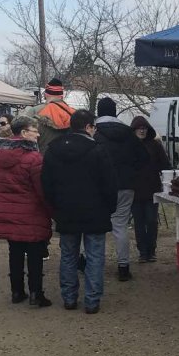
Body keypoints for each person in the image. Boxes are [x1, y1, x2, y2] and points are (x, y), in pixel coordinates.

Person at [41, 109, 118, 314]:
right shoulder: (98, 150)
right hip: (95, 211)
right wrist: (110, 208)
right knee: (94, 256)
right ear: (88, 127)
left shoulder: (53, 150)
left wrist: (54, 208)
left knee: (68, 255)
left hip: (65, 210)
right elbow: (110, 184)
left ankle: (69, 297)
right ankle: (92, 300)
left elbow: (46, 184)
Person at [0, 115, 53, 307]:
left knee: (14, 251)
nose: (38, 134)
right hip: (32, 212)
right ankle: (36, 293)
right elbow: (42, 189)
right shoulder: (34, 158)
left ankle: (16, 291)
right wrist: (50, 210)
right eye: (35, 131)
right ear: (24, 133)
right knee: (35, 254)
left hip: (7, 209)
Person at [93, 97, 148, 281]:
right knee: (120, 225)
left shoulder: (94, 133)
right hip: (125, 184)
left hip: (100, 186)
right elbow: (143, 157)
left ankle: (92, 264)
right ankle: (123, 266)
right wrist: (131, 171)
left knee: (96, 226)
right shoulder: (128, 133)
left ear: (98, 111)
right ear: (115, 111)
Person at [130, 115, 170, 263]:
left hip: (152, 189)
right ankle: (142, 252)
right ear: (134, 130)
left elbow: (165, 165)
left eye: (144, 128)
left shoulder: (155, 145)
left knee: (152, 221)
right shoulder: (128, 146)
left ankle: (151, 250)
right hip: (134, 190)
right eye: (139, 128)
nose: (142, 131)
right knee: (139, 223)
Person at [35, 78, 75, 154]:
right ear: (61, 96)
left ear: (46, 94)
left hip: (43, 158)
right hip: (68, 157)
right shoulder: (75, 114)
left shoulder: (36, 111)